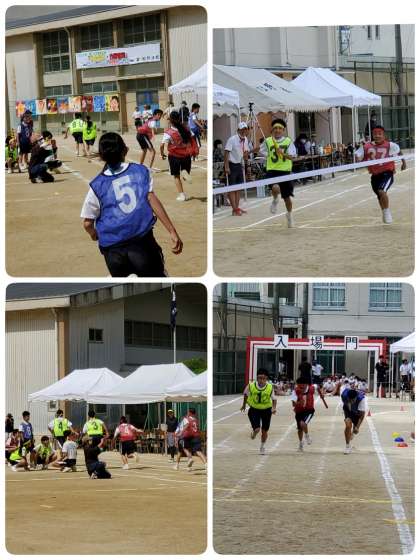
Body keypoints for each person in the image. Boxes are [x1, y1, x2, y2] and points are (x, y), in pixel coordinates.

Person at [81, 132, 183, 277]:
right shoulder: (141, 171)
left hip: (113, 250)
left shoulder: (97, 185)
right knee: (157, 280)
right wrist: (172, 231)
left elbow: (87, 223)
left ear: (102, 156)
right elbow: (151, 199)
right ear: (125, 150)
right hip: (142, 244)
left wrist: (93, 234)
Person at [355, 125, 406, 224]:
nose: (377, 136)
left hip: (387, 172)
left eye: (380, 134)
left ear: (384, 135)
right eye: (375, 134)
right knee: (380, 196)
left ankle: (387, 212)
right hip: (375, 175)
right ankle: (384, 211)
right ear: (372, 135)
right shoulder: (366, 146)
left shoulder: (390, 145)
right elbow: (358, 156)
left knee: (382, 191)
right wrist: (357, 157)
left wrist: (404, 162)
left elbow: (399, 151)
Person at [259, 119, 297, 227]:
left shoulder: (288, 141)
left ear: (283, 130)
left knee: (287, 198)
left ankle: (289, 215)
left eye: (280, 128)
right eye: (275, 128)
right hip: (272, 170)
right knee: (275, 188)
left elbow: (293, 157)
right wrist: (263, 154)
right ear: (272, 130)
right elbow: (262, 151)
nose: (277, 130)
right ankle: (275, 199)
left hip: (285, 171)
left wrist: (282, 154)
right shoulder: (268, 141)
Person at [161, 110, 198, 201]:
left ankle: (182, 195)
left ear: (170, 120)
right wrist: (194, 151)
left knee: (176, 176)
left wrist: (162, 153)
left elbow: (162, 145)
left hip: (174, 156)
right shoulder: (186, 129)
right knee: (185, 174)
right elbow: (193, 139)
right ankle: (185, 172)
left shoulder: (168, 132)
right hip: (186, 156)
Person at [240, 368, 277, 455]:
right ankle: (254, 432)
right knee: (257, 429)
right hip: (254, 409)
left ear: (266, 378)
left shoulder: (270, 387)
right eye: (259, 378)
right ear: (257, 378)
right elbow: (245, 394)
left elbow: (274, 399)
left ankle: (262, 446)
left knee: (264, 431)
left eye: (263, 378)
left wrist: (274, 408)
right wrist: (244, 405)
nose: (261, 380)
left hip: (266, 410)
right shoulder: (251, 385)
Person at [291, 377, 328, 452]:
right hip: (299, 411)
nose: (301, 387)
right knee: (299, 429)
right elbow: (293, 404)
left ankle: (307, 436)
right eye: (299, 386)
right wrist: (299, 403)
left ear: (306, 384)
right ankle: (301, 444)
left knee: (303, 423)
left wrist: (321, 394)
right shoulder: (295, 391)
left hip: (309, 410)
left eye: (303, 385)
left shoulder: (311, 388)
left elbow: (317, 387)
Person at [224, 122, 250, 216]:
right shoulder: (232, 139)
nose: (244, 131)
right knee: (232, 188)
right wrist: (226, 166)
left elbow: (245, 154)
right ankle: (234, 209)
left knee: (238, 188)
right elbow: (226, 153)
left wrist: (247, 158)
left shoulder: (245, 139)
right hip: (231, 165)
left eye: (245, 129)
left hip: (239, 164)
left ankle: (236, 208)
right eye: (242, 129)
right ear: (238, 130)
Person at [341, 387, 367, 454]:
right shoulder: (343, 395)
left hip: (357, 412)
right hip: (348, 410)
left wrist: (357, 427)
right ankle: (347, 446)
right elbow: (344, 405)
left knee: (355, 431)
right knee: (348, 425)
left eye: (353, 400)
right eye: (350, 400)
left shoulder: (361, 399)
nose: (351, 402)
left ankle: (353, 432)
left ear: (356, 397)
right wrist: (348, 406)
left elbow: (362, 415)